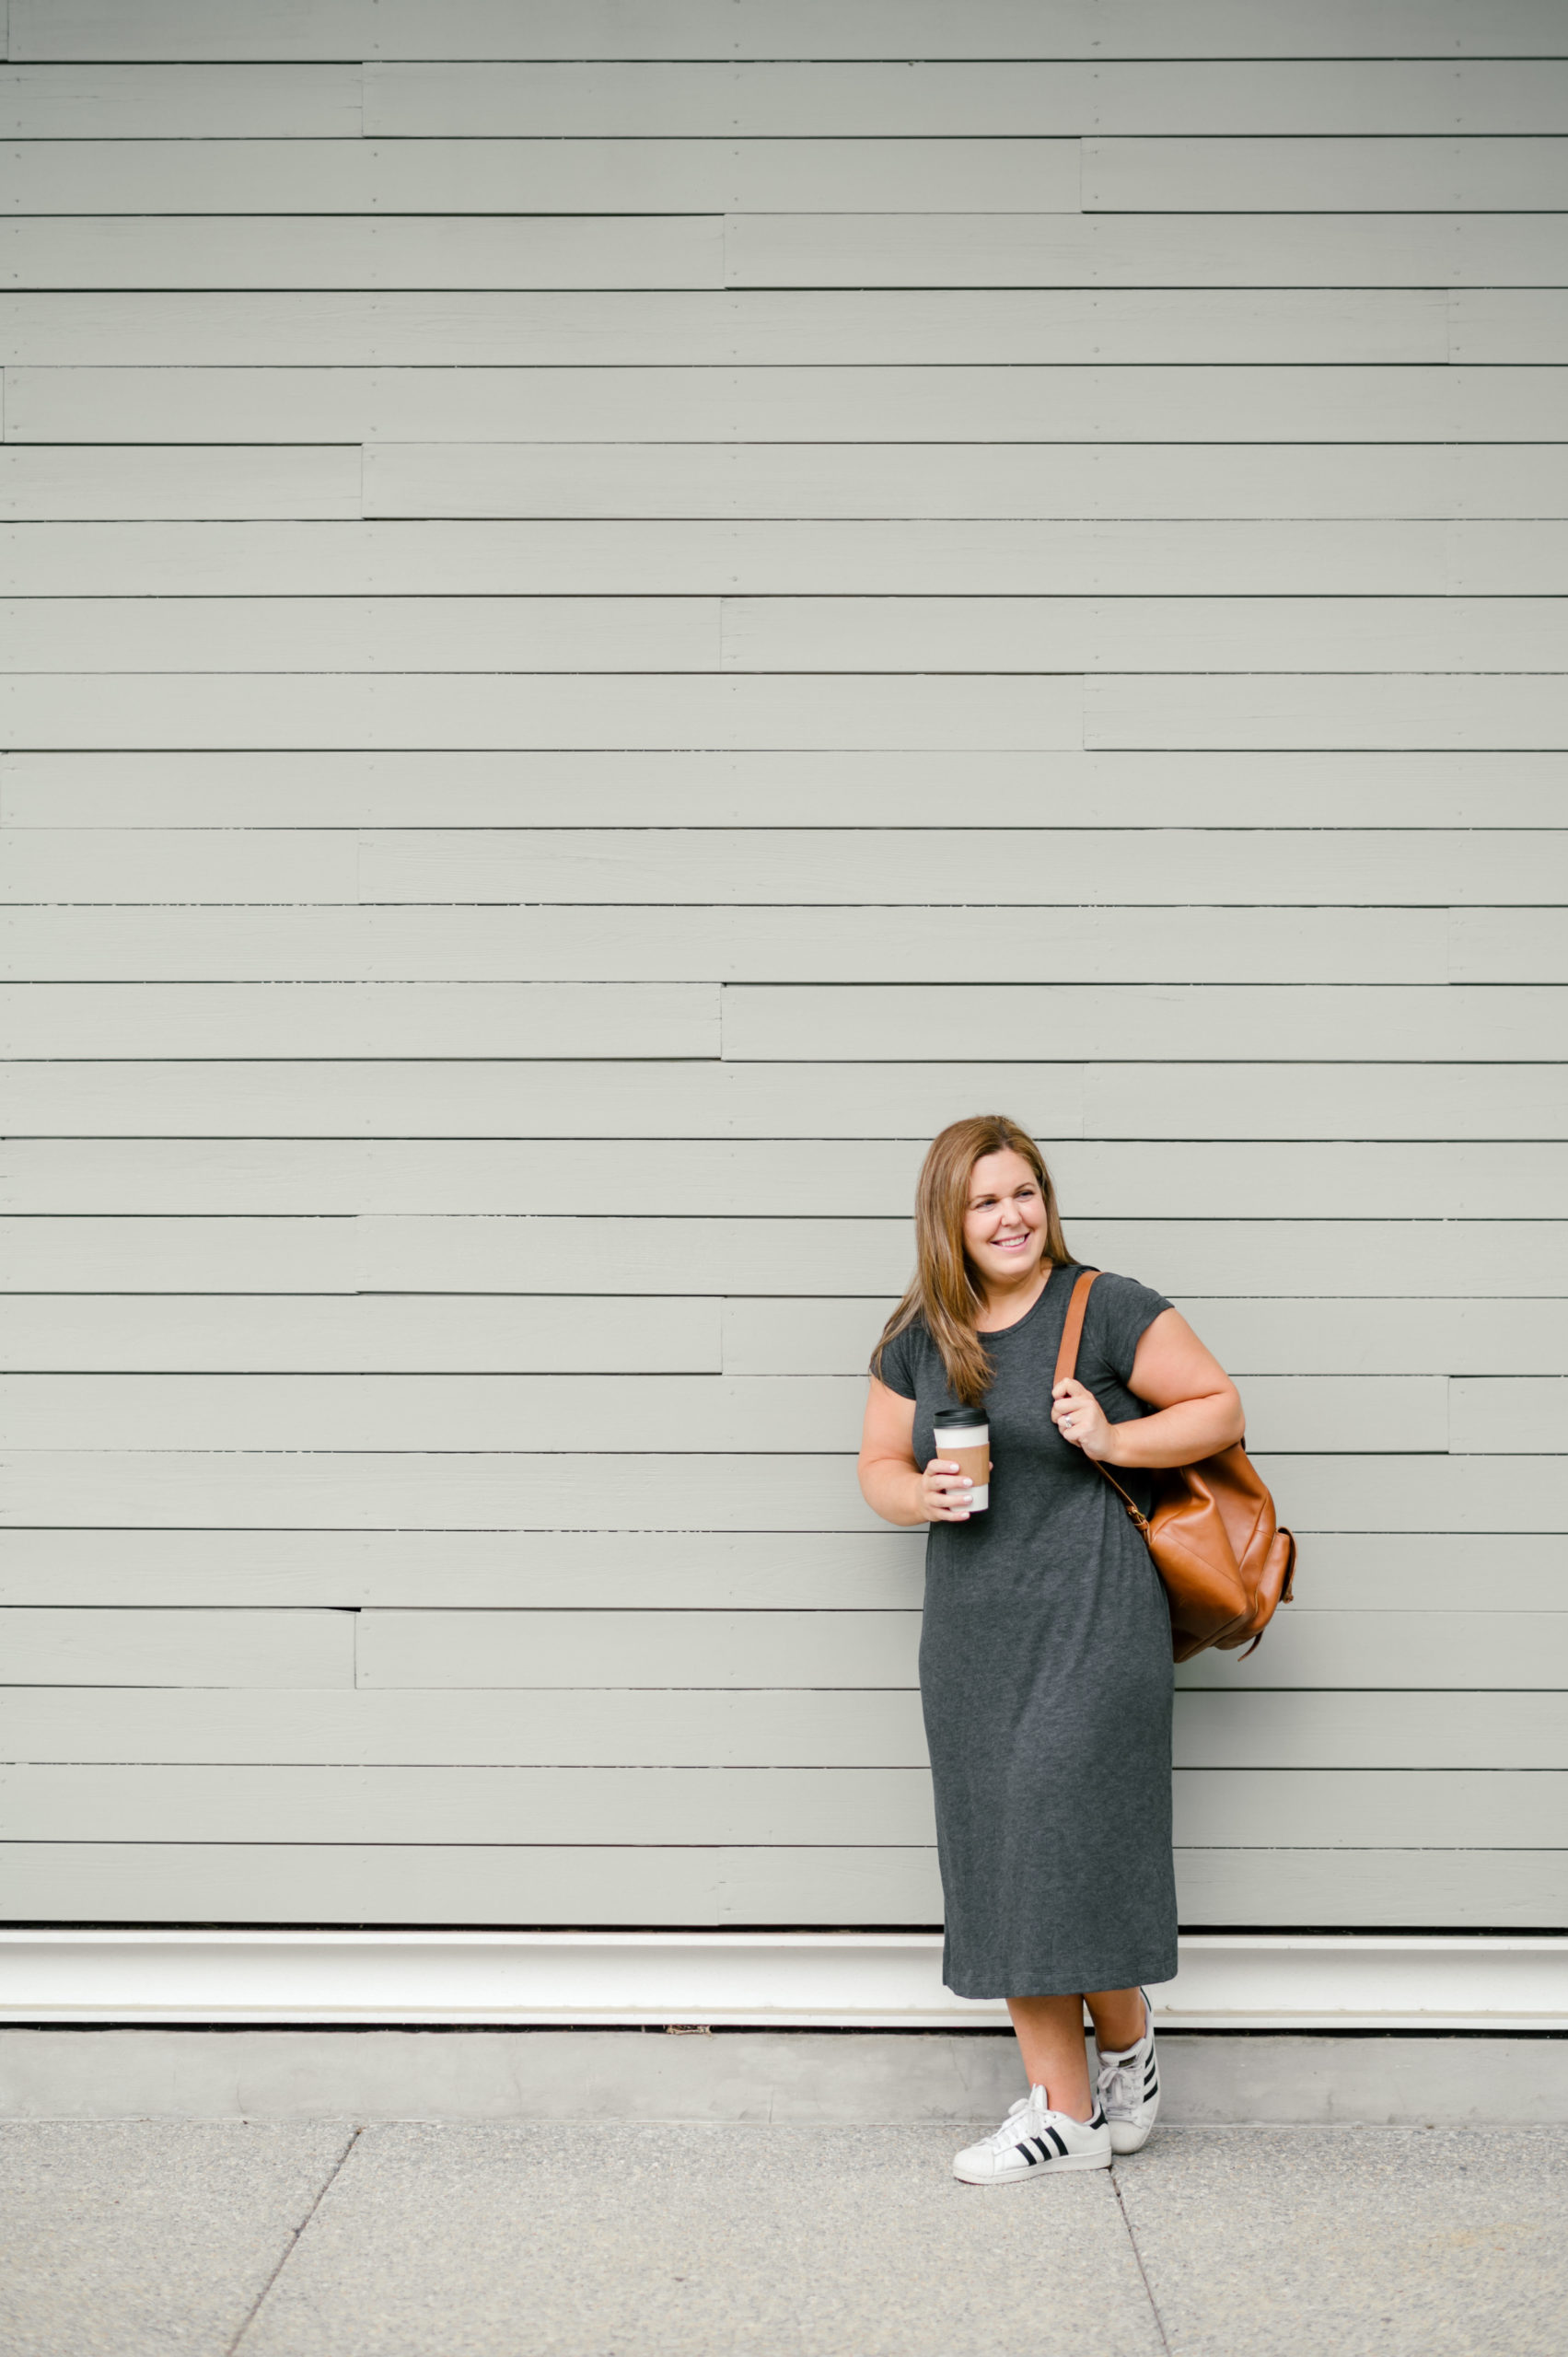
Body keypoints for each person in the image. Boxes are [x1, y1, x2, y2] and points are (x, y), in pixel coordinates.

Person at [856, 1114, 1244, 2182]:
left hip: (1091, 1617)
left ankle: (1060, 2115)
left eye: (1022, 1192)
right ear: (949, 1217)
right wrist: (917, 1494)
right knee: (1010, 1848)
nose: (1009, 1215)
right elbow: (877, 1464)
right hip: (974, 1632)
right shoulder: (920, 1337)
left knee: (1051, 1838)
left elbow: (1216, 1406)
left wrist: (1114, 1436)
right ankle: (1122, 2044)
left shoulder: (1103, 1305)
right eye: (984, 1200)